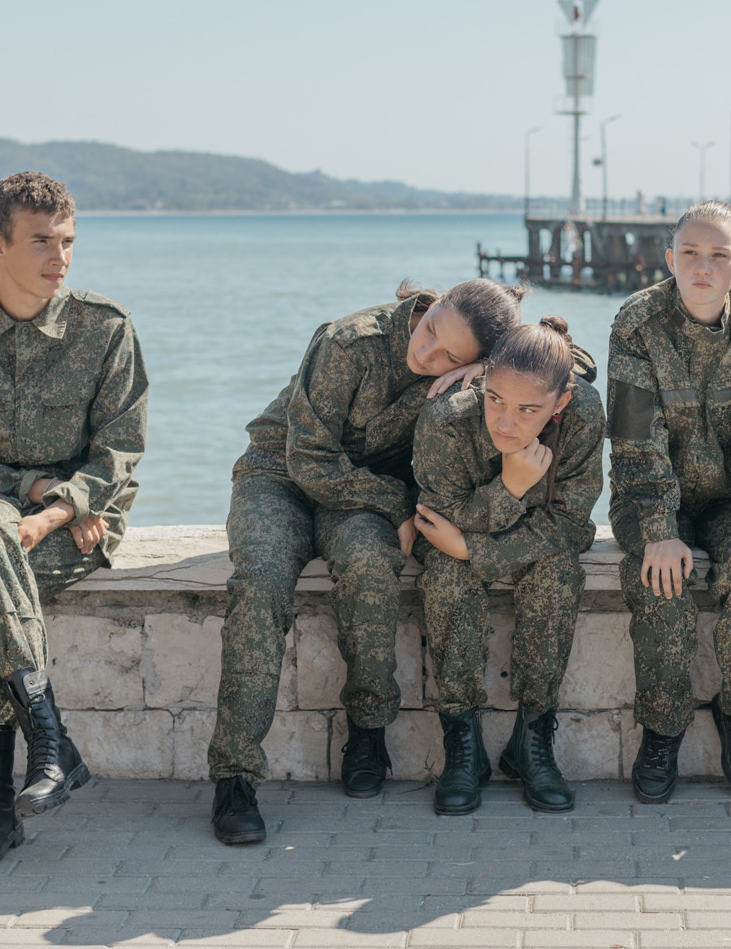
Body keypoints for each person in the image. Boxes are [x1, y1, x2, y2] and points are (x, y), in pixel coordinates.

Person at [210, 278, 524, 845]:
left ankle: (368, 730)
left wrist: (488, 373)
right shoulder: (350, 342)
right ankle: (234, 778)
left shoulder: (478, 361)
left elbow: (562, 361)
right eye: (430, 332)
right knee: (258, 583)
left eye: (450, 356)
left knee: (372, 564)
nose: (426, 353)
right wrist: (397, 503)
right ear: (434, 304)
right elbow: (307, 457)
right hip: (281, 476)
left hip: (361, 492)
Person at [0, 171, 148, 874]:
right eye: (41, 240)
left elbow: (121, 452)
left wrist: (63, 506)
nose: (60, 255)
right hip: (1, 514)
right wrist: (32, 487)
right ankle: (48, 736)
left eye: (68, 240)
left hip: (80, 524)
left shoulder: (105, 329)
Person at [608, 200, 731, 804]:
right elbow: (635, 442)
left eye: (719, 255)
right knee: (661, 580)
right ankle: (661, 730)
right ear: (670, 259)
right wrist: (661, 529)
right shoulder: (637, 323)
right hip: (649, 496)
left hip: (730, 499)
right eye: (690, 252)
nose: (703, 267)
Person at [412, 318, 604, 815]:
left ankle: (532, 742)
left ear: (559, 404)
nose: (504, 422)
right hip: (459, 542)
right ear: (482, 379)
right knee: (447, 577)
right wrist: (510, 489)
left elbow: (568, 520)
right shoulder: (447, 418)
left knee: (557, 573)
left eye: (527, 410)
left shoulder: (582, 412)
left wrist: (473, 549)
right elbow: (439, 517)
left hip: (536, 544)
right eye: (495, 399)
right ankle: (463, 746)